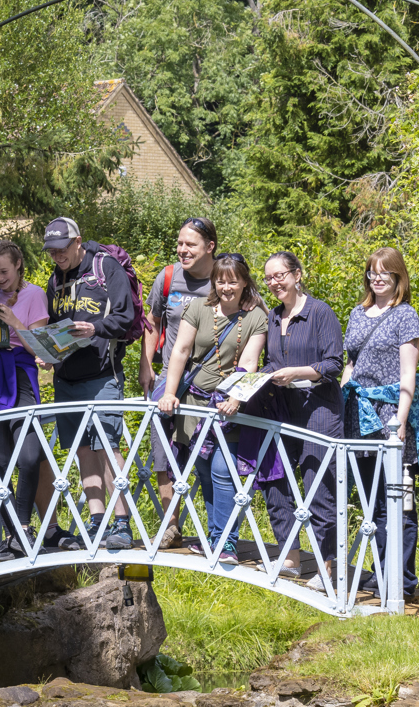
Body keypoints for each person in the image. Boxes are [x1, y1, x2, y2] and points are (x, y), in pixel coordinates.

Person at [158, 254, 267, 564]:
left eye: (233, 280)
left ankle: (226, 544)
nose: (226, 286)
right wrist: (168, 393)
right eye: (221, 280)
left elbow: (249, 362)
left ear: (244, 281)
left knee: (224, 470)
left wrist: (237, 397)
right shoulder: (199, 309)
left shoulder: (256, 317)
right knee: (204, 470)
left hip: (228, 406)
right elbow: (180, 351)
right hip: (194, 402)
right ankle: (215, 537)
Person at [42, 217, 136, 550]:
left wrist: (94, 329)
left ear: (78, 241)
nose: (57, 256)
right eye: (51, 251)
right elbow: (56, 327)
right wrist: (48, 351)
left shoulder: (105, 267)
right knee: (83, 450)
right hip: (66, 378)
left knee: (108, 446)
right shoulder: (56, 280)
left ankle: (122, 523)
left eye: (62, 249)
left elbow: (127, 317)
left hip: (101, 375)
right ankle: (97, 521)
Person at [258, 252, 344, 583]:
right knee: (276, 480)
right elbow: (272, 363)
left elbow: (334, 364)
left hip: (319, 412)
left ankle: (327, 568)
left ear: (297, 274)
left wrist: (296, 373)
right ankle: (290, 557)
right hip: (283, 411)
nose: (274, 283)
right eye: (268, 278)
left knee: (317, 487)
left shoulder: (320, 312)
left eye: (280, 275)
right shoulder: (273, 316)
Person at [342, 247, 419, 599]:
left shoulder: (406, 316)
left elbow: (408, 374)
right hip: (357, 415)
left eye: (384, 272)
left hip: (390, 416)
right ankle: (380, 570)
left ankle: (401, 580)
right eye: (372, 271)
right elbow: (351, 364)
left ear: (397, 276)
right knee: (371, 497)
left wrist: (400, 421)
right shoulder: (358, 313)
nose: (377, 277)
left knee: (399, 497)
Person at [139, 217, 218, 549]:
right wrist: (145, 365)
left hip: (208, 383)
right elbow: (151, 322)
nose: (183, 250)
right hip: (168, 381)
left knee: (206, 452)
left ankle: (218, 529)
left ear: (210, 247)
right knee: (161, 451)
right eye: (180, 243)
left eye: (191, 245)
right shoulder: (168, 277)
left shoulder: (224, 280)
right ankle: (171, 523)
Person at [0, 240, 50, 560]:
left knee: (29, 457)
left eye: (3, 271)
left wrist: (15, 323)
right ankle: (14, 535)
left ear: (18, 265)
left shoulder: (35, 295)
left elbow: (42, 351)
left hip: (19, 376)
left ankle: (24, 527)